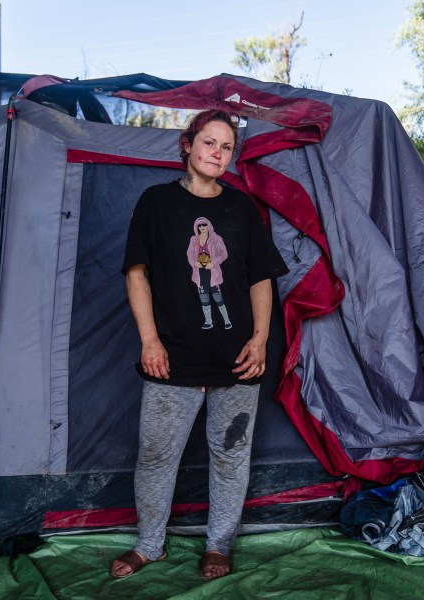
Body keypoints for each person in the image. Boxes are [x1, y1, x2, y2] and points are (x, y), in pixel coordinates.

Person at [112, 109, 289, 580]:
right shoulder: (156, 204)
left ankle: (219, 544)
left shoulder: (241, 209)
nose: (217, 152)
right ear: (188, 146)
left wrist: (259, 339)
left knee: (230, 455)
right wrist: (150, 340)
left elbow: (261, 279)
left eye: (227, 146)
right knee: (155, 454)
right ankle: (150, 544)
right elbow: (137, 274)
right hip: (172, 357)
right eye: (209, 142)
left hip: (235, 359)